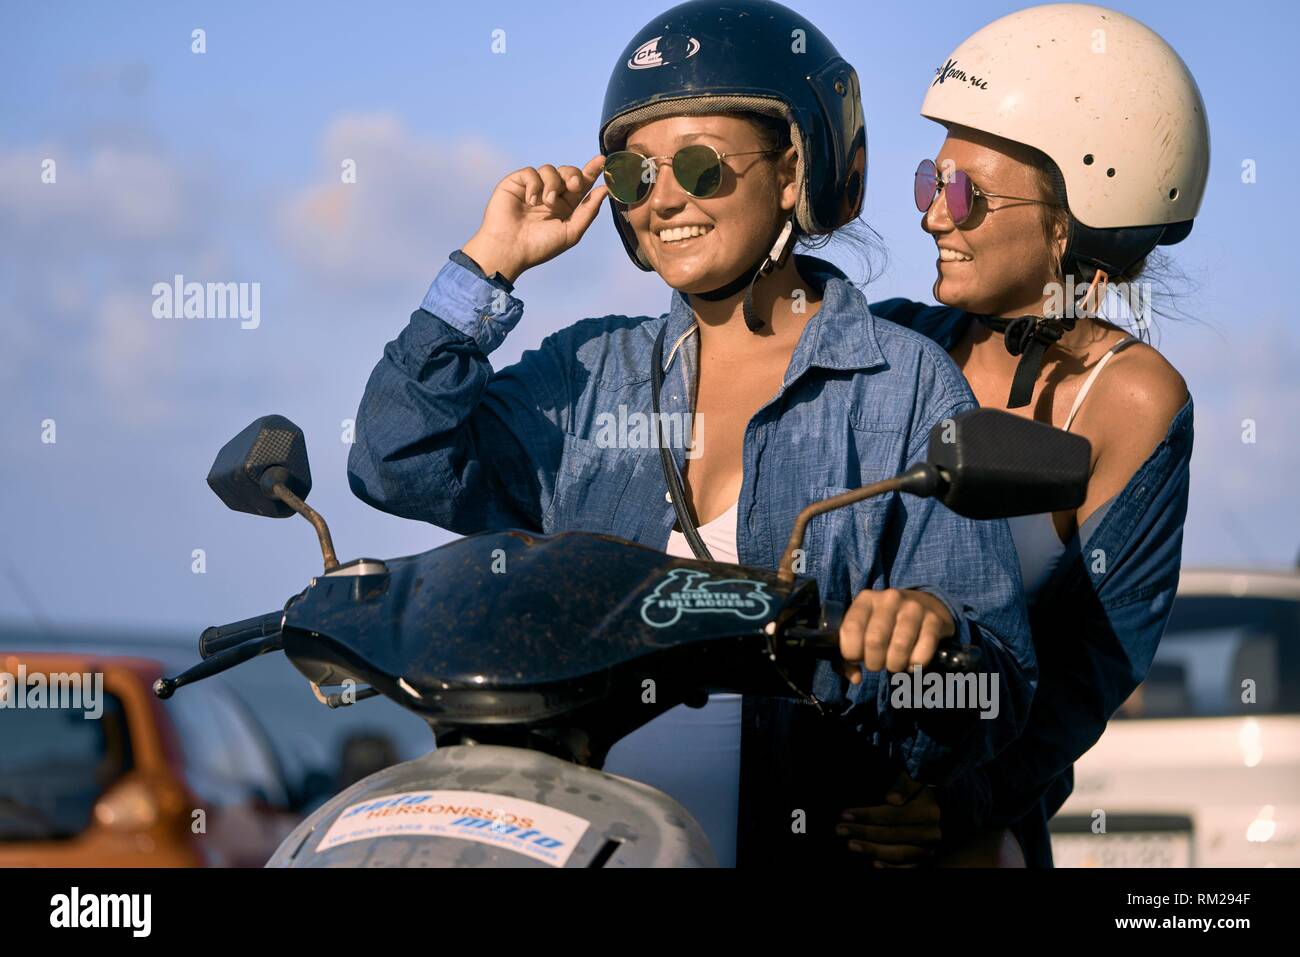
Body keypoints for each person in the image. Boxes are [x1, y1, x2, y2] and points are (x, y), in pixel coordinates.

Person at [346, 0, 1034, 867]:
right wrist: (489, 262)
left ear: (794, 171)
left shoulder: (900, 385)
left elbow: (998, 690)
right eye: (634, 176)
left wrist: (932, 629)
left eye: (703, 167)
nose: (663, 197)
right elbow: (393, 459)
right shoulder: (586, 375)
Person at [838, 2, 1207, 867]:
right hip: (814, 786)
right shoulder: (890, 342)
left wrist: (957, 800)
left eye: (963, 193)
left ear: (1076, 216)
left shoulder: (1129, 403)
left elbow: (1088, 671)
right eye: (931, 181)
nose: (934, 215)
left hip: (961, 826)